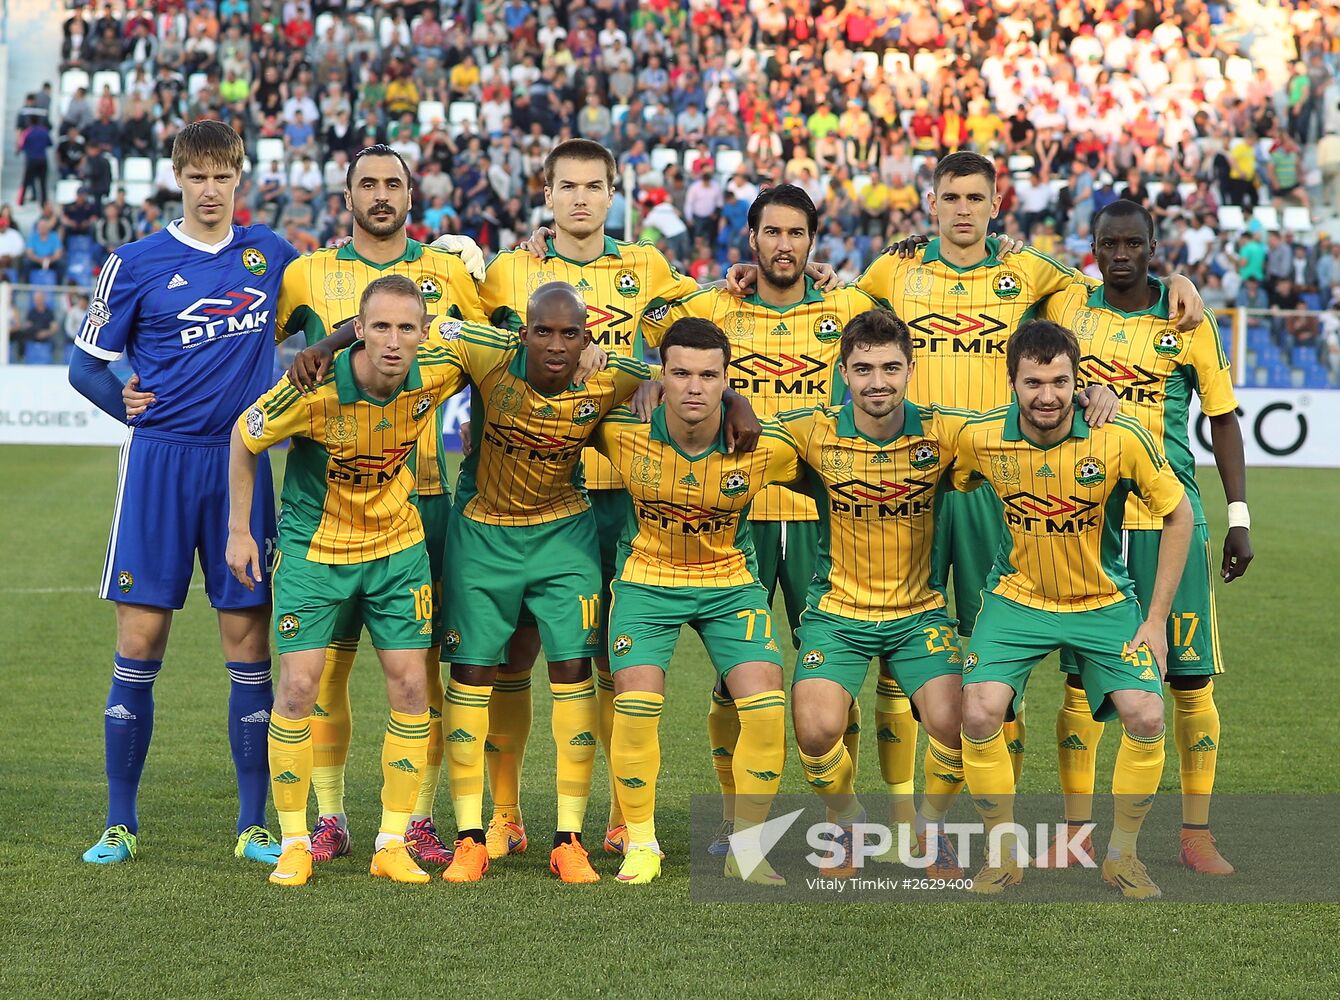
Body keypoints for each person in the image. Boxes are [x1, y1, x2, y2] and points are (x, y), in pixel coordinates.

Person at [138, 143, 488, 869]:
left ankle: (414, 822)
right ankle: (325, 820)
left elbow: (504, 344)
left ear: (412, 194)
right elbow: (237, 342)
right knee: (318, 674)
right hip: (323, 511)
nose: (381, 195)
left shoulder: (449, 272)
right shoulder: (303, 273)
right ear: (347, 195)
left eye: (394, 183)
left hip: (419, 502)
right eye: (368, 184)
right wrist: (159, 378)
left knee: (419, 672)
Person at [849, 151, 1201, 782]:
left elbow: (1109, 292)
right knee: (900, 646)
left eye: (975, 198)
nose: (963, 210)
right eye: (951, 197)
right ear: (931, 203)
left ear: (997, 204)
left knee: (996, 670)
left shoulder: (1030, 269)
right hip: (916, 476)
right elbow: (838, 311)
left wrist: (1175, 280)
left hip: (997, 478)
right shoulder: (893, 268)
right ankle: (909, 815)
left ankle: (996, 808)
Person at [68, 120, 298, 865]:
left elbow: (336, 297)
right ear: (176, 178)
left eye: (221, 176)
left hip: (241, 467)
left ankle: (253, 824)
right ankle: (120, 823)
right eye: (197, 176)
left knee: (249, 644)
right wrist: (122, 403)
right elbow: (85, 367)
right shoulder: (133, 263)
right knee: (139, 643)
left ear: (240, 178)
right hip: (159, 466)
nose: (209, 189)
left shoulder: (271, 254)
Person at [637, 183, 884, 854]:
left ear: (813, 242)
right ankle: (737, 821)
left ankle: (842, 817)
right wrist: (649, 378)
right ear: (751, 239)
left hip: (819, 514)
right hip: (731, 514)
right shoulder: (717, 304)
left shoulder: (845, 306)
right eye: (771, 232)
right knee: (734, 678)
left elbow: (895, 356)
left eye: (796, 234)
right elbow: (645, 325)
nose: (783, 245)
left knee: (834, 673)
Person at [474, 139, 699, 860]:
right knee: (515, 653)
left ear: (613, 193)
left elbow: (707, 322)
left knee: (610, 658)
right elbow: (469, 342)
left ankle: (621, 813)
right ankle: (505, 814)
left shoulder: (648, 267)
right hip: (534, 491)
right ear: (546, 195)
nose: (580, 198)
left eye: (593, 186)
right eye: (566, 186)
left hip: (625, 491)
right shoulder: (509, 271)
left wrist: (756, 272)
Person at [227, 275, 461, 888]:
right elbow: (244, 438)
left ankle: (391, 842)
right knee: (298, 688)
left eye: (406, 328)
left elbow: (514, 346)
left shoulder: (439, 370)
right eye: (380, 326)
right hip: (315, 552)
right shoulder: (312, 388)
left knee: (412, 686)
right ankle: (295, 842)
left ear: (424, 334)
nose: (393, 341)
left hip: (397, 548)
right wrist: (239, 530)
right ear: (358, 330)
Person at [1041, 199, 1252, 873]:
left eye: (1134, 243)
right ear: (1093, 248)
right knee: (1081, 689)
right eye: (1110, 244)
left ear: (1154, 248)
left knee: (1189, 683)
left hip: (1171, 522)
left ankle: (1196, 834)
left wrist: (1240, 517)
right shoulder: (1068, 307)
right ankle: (1076, 835)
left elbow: (1222, 417)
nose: (1121, 254)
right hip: (1089, 521)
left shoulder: (1187, 318)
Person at [953, 320, 1193, 899]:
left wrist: (1155, 620)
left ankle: (1122, 857)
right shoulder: (979, 438)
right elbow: (941, 475)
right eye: (1033, 382)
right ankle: (1001, 854)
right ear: (1011, 381)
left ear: (1077, 381)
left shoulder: (1119, 437)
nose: (1048, 396)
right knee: (980, 712)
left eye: (1061, 382)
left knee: (1147, 715)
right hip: (1017, 599)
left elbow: (1179, 514)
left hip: (1102, 601)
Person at [431, 284, 654, 883]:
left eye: (570, 334)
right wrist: (330, 342)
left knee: (574, 668)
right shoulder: (488, 353)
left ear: (587, 339)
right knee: (472, 674)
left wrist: (727, 399)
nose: (556, 345)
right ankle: (472, 836)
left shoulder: (609, 375)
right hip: (482, 535)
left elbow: (675, 374)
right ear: (523, 333)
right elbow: (424, 326)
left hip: (563, 535)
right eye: (544, 332)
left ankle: (569, 839)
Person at [592, 318, 800, 886]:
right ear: (661, 375)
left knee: (766, 705)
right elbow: (559, 399)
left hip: (728, 581)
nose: (694, 387)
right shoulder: (623, 430)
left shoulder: (764, 445)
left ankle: (747, 849)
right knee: (636, 703)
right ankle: (641, 843)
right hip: (646, 579)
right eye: (680, 373)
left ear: (728, 379)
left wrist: (740, 405)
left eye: (710, 376)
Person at [776, 309, 967, 878]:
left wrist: (1089, 395)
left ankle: (931, 829)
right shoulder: (813, 433)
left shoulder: (944, 433)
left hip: (919, 613)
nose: (877, 382)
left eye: (890, 368)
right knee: (815, 729)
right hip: (838, 612)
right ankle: (848, 821)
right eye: (863, 369)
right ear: (843, 373)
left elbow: (1025, 423)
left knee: (961, 722)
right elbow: (736, 426)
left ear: (911, 368)